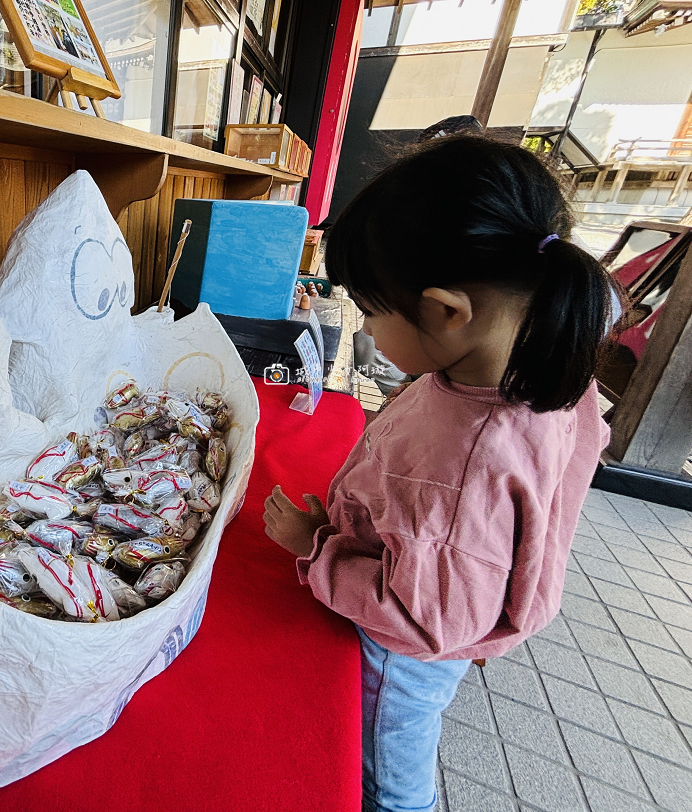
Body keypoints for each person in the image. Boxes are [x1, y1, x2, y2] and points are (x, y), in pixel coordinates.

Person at [263, 135, 615, 812]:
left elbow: (424, 621)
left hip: (401, 657)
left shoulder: (463, 471)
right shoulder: (526, 362)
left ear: (448, 312)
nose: (365, 330)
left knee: (386, 779)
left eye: (370, 313)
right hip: (453, 597)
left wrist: (316, 546)